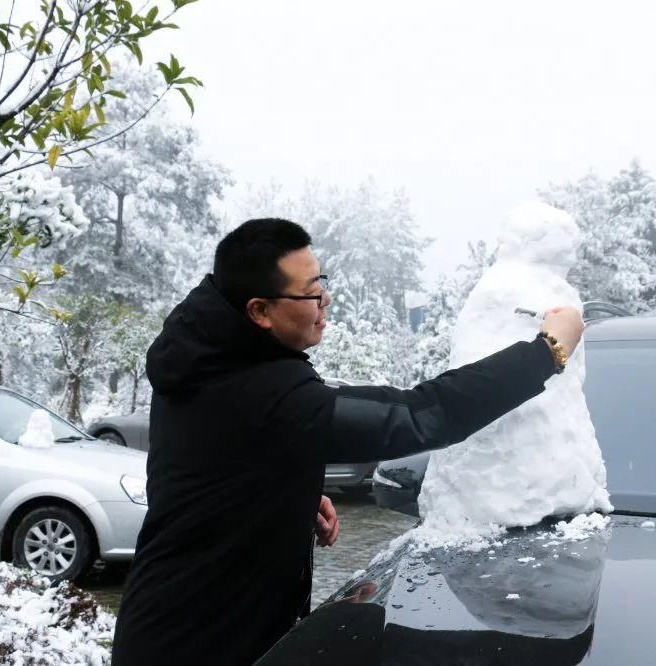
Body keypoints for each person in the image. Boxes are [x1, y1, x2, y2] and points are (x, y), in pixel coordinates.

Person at [111, 218, 584, 665]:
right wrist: (545, 354)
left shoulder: (208, 355)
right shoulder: (259, 390)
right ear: (260, 311)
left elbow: (217, 462)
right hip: (196, 642)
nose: (326, 300)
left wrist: (282, 492)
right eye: (311, 292)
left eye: (323, 283)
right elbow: (416, 416)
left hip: (185, 622)